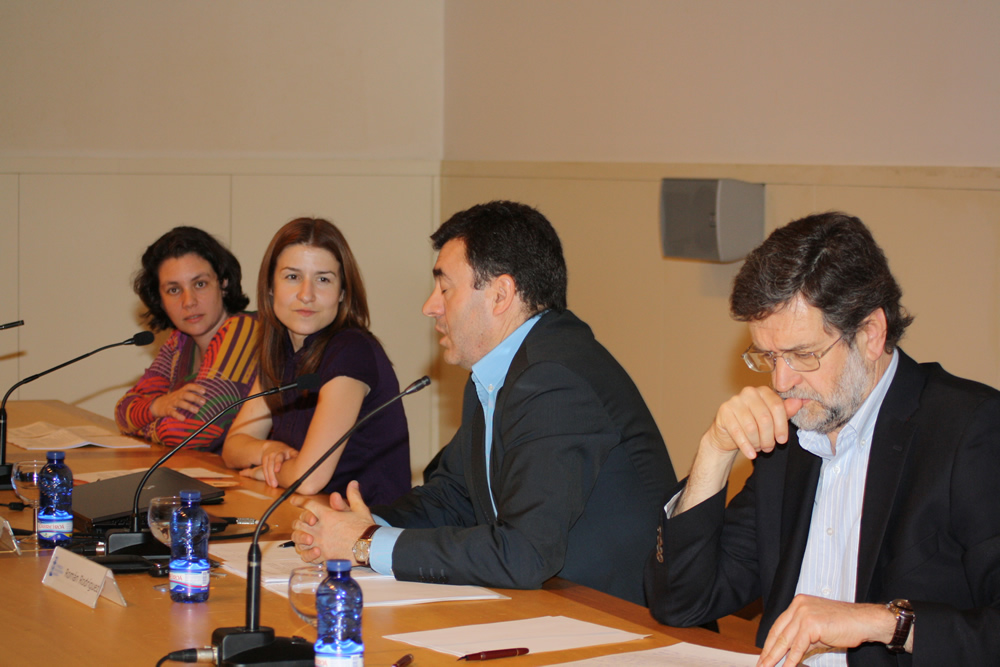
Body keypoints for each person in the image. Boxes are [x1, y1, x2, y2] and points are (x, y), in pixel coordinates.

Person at [645, 212, 1000, 666]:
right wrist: (714, 452)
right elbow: (682, 602)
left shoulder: (966, 429)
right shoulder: (788, 439)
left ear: (871, 333)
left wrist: (884, 623)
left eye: (803, 354)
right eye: (768, 356)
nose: (782, 380)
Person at [289, 201, 675, 605]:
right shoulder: (500, 372)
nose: (430, 306)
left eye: (444, 287)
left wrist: (367, 544)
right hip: (557, 608)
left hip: (622, 623)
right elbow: (454, 495)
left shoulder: (556, 379)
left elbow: (525, 553)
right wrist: (362, 524)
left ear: (501, 294)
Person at [221, 218, 410, 505]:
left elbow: (308, 479)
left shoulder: (351, 350)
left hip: (367, 532)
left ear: (342, 293)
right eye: (292, 277)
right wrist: (269, 450)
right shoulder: (280, 350)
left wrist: (268, 471)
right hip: (310, 518)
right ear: (270, 287)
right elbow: (233, 446)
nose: (306, 295)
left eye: (323, 279)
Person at [115, 227, 260, 453]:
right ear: (160, 300)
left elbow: (189, 433)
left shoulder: (244, 330)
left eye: (199, 284)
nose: (188, 301)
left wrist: (146, 418)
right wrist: (156, 406)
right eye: (174, 290)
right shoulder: (179, 342)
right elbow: (123, 412)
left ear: (222, 284)